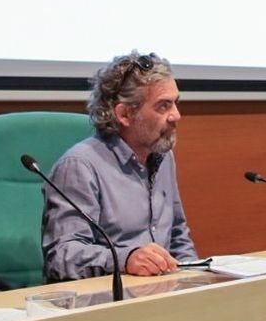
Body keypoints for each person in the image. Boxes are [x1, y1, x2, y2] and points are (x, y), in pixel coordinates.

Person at [42, 52, 197, 280]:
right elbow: (64, 256)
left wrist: (195, 283)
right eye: (163, 106)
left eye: (176, 103)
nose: (176, 116)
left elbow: (178, 237)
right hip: (106, 302)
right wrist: (125, 260)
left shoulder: (163, 156)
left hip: (160, 296)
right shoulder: (79, 166)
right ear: (124, 114)